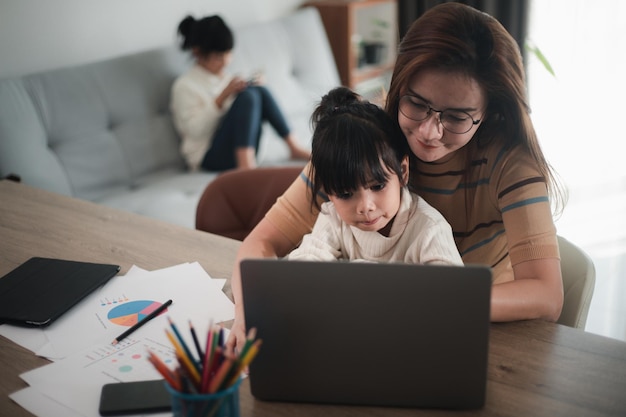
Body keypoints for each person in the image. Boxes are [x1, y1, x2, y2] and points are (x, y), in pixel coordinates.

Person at [227, 2, 566, 352]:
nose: (429, 132)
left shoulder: (510, 161)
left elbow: (546, 294)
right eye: (416, 103)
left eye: (457, 117)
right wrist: (248, 310)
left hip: (480, 335)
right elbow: (261, 243)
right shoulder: (364, 140)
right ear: (399, 83)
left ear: (488, 112)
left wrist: (427, 303)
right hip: (368, 330)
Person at [287, 86, 463, 265]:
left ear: (402, 172)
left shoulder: (429, 228)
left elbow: (451, 288)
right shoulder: (334, 219)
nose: (365, 207)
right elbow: (306, 262)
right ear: (329, 193)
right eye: (345, 194)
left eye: (377, 186)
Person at [170, 15, 310, 171]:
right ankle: (246, 168)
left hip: (238, 148)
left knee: (257, 90)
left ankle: (294, 147)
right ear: (197, 52)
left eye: (228, 54)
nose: (225, 62)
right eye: (218, 56)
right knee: (248, 97)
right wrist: (222, 98)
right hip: (207, 157)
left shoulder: (226, 77)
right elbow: (195, 131)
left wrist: (251, 90)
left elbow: (240, 115)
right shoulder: (184, 86)